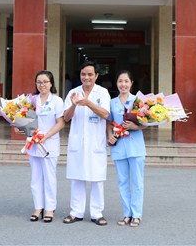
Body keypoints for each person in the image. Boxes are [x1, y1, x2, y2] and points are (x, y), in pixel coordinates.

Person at [62, 61, 111, 226]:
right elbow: (66, 117)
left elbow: (105, 114)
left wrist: (88, 103)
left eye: (90, 74)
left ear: (96, 76)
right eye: (83, 74)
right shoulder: (73, 92)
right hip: (78, 141)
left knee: (97, 179)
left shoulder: (103, 92)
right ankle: (76, 212)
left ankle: (97, 213)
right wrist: (74, 105)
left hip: (96, 142)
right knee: (77, 178)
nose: (86, 77)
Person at [107, 70, 146, 228]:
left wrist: (135, 127)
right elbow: (108, 122)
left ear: (131, 83)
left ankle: (137, 214)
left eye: (126, 81)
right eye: (120, 81)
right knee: (122, 181)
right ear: (116, 83)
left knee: (137, 181)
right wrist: (109, 136)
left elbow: (147, 123)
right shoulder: (112, 102)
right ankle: (127, 214)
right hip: (119, 146)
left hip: (135, 146)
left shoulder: (138, 101)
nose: (123, 84)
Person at [27, 70, 65, 223]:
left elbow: (61, 123)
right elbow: (26, 120)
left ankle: (49, 208)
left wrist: (46, 136)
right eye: (39, 82)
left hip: (49, 144)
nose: (42, 85)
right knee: (36, 178)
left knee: (49, 178)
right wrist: (21, 128)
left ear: (51, 83)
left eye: (45, 82)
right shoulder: (31, 100)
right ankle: (38, 207)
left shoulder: (57, 101)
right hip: (33, 144)